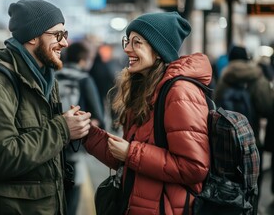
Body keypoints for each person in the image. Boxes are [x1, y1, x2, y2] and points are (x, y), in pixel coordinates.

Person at [0, 0, 92, 215]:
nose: (65, 43)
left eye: (66, 34)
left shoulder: (44, 79)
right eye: (58, 35)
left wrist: (67, 124)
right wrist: (62, 128)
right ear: (33, 36)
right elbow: (1, 158)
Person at [83, 11, 212, 214]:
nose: (127, 49)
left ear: (159, 50)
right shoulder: (146, 88)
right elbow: (127, 160)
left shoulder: (179, 92)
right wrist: (86, 133)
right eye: (128, 41)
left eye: (137, 42)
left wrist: (131, 152)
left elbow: (193, 167)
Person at [214, 45, 274, 200]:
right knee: (253, 181)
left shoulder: (224, 77)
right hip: (252, 139)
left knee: (227, 182)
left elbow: (215, 107)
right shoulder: (257, 77)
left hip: (225, 140)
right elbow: (268, 107)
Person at [56, 41, 105, 215]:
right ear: (83, 61)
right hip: (75, 149)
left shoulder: (52, 76)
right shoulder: (84, 80)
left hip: (52, 145)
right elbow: (98, 116)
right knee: (73, 193)